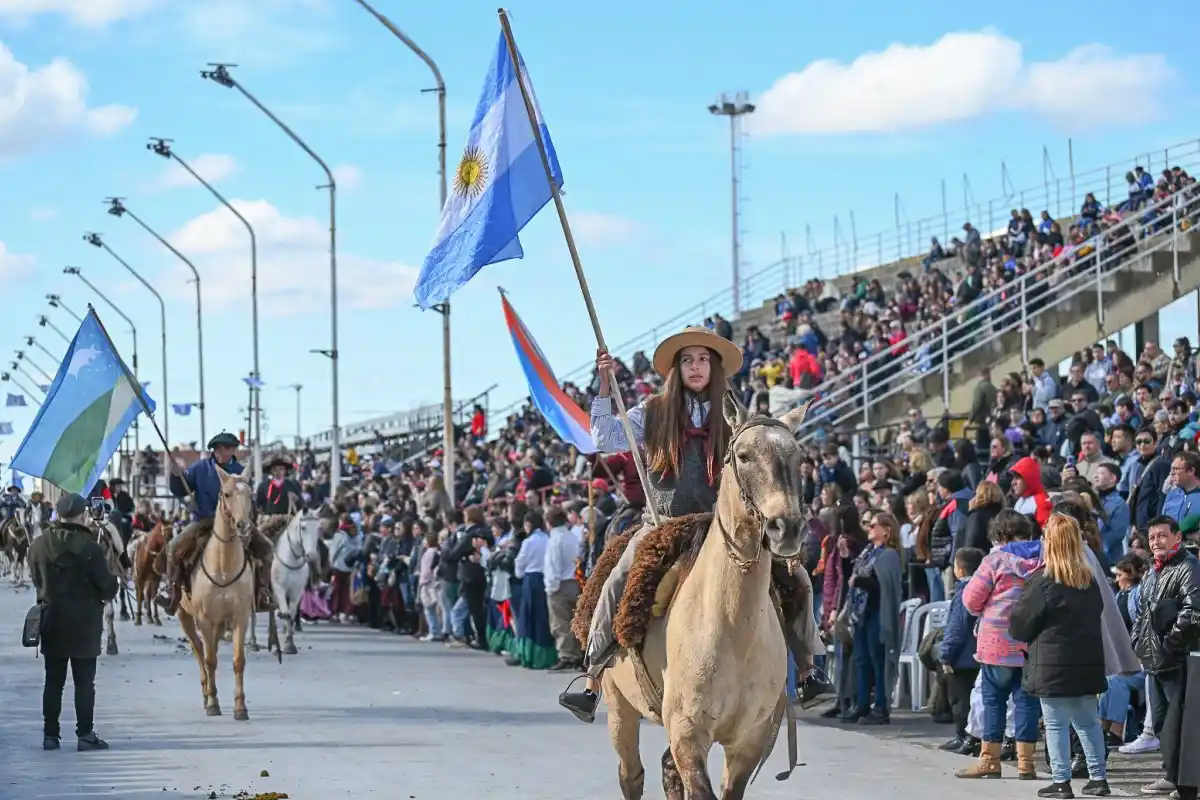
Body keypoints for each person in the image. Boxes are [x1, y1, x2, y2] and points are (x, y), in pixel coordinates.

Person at [559, 325, 831, 723]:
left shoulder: (739, 417)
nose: (696, 366)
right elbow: (604, 437)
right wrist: (604, 386)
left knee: (797, 578)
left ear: (715, 366)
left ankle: (809, 670)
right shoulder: (651, 412)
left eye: (703, 359)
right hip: (666, 523)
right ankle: (593, 678)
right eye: (688, 360)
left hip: (726, 528)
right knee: (616, 580)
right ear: (677, 369)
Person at [1009, 511, 1110, 798]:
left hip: (1052, 663)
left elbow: (1020, 625)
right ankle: (1098, 778)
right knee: (1088, 722)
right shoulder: (1088, 580)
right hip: (1087, 661)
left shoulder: (1042, 580)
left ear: (1050, 542)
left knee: (1055, 724)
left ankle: (1061, 781)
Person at [28, 493, 119, 751]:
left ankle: (50, 735)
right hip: (85, 625)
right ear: (82, 516)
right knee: (84, 683)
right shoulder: (91, 547)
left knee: (53, 681)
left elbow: (36, 579)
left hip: (52, 621)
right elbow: (108, 589)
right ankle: (85, 735)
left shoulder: (38, 545)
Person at [157, 432, 274, 614]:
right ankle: (172, 592)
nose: (223, 451)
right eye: (219, 448)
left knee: (266, 548)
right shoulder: (200, 468)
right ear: (215, 450)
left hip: (235, 524)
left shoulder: (240, 471)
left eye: (228, 448)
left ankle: (262, 591)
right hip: (204, 520)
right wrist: (176, 476)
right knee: (173, 547)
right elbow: (181, 489)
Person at [1132, 516, 1200, 797]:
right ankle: (1171, 774)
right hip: (1153, 661)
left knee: (1180, 724)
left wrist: (1170, 644)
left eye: (1161, 536)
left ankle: (1185, 779)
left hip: (1177, 659)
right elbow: (1142, 612)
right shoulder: (1153, 570)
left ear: (1177, 537)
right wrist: (1139, 642)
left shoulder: (1188, 567)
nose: (1156, 542)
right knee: (1161, 723)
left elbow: (1193, 611)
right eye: (1151, 538)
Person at [939, 546, 985, 753]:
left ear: (960, 569)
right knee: (975, 699)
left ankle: (963, 736)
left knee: (960, 700)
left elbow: (955, 627)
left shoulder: (963, 592)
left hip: (961, 657)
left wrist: (945, 654)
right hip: (978, 654)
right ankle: (973, 737)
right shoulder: (984, 587)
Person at [256, 455, 302, 541]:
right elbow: (257, 506)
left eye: (281, 469)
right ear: (271, 471)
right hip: (268, 523)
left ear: (285, 471)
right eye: (275, 469)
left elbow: (301, 505)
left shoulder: (291, 485)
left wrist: (296, 499)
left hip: (288, 521)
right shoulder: (263, 486)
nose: (278, 472)